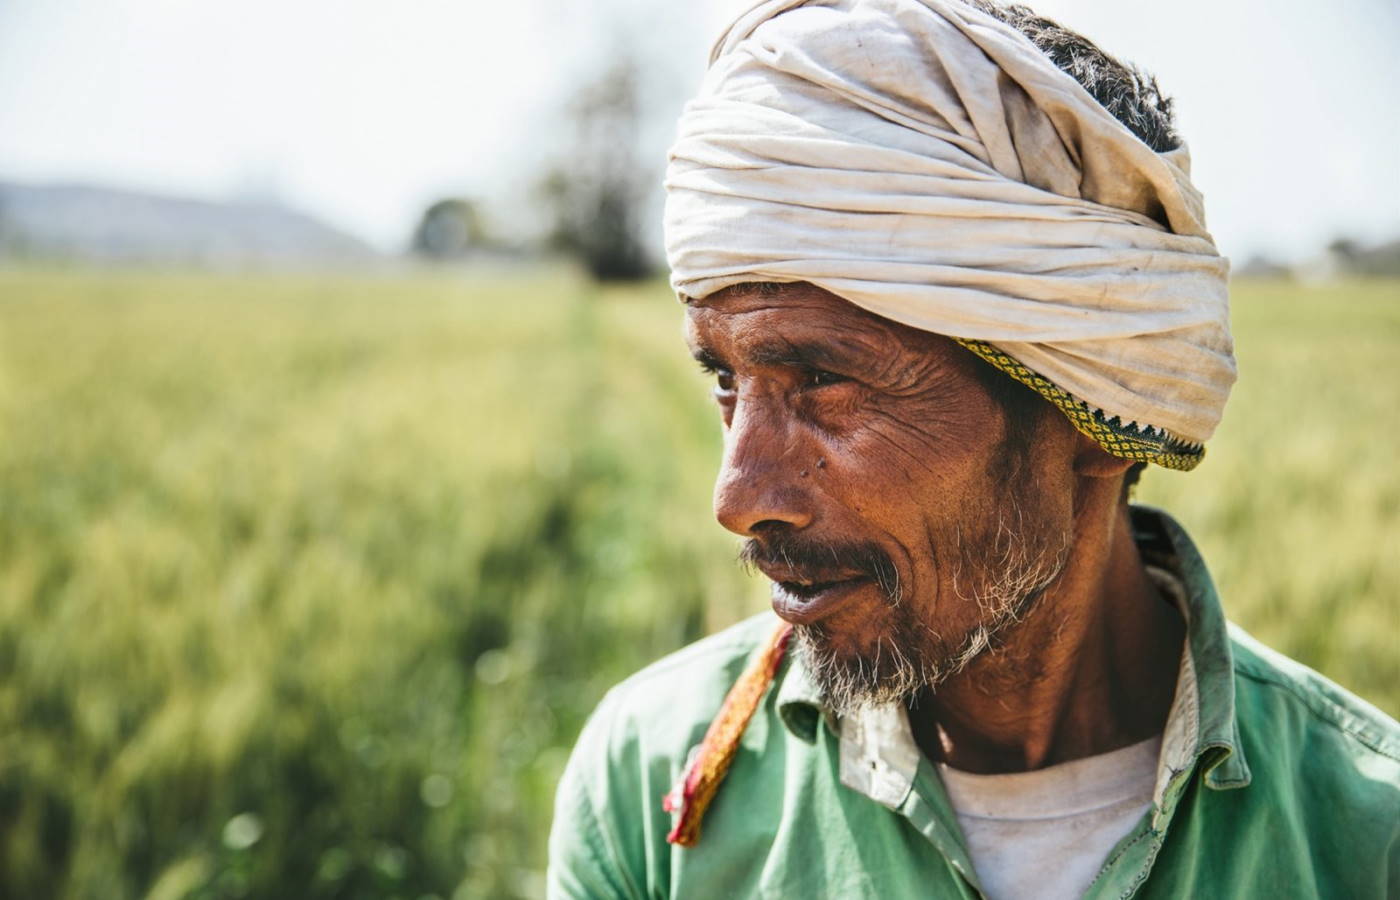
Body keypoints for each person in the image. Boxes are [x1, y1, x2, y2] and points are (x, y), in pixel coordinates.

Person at [547, 0, 1400, 896]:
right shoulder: (650, 788)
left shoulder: (1363, 841)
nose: (738, 495)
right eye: (724, 379)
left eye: (824, 379)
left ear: (1090, 409)